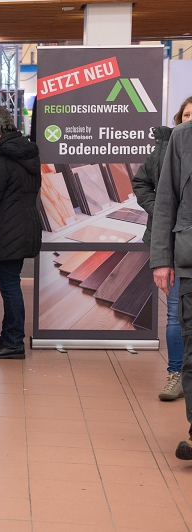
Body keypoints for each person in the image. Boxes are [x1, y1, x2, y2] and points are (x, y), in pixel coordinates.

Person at [136, 96, 192, 401]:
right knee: (174, 315)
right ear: (178, 119)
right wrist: (160, 209)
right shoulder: (165, 148)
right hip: (173, 243)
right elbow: (141, 183)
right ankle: (176, 374)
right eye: (186, 115)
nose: (190, 120)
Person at [0, 105, 41, 360]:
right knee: (10, 282)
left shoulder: (0, 157)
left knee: (9, 284)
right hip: (26, 224)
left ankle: (14, 342)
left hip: (8, 227)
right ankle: (8, 336)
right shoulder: (29, 152)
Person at [151, 101, 192, 460]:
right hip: (189, 261)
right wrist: (162, 259)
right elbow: (165, 202)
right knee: (191, 351)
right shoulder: (181, 138)